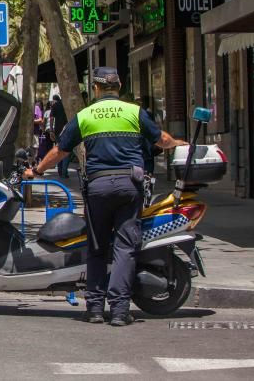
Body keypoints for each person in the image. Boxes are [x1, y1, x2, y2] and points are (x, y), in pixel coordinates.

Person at [23, 67, 187, 326]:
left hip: (98, 189)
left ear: (96, 88)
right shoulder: (134, 112)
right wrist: (180, 144)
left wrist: (36, 170)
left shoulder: (85, 115)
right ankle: (120, 311)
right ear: (119, 85)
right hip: (129, 187)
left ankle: (95, 309)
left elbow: (60, 150)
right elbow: (161, 140)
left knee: (97, 248)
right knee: (125, 248)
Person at [50, 94, 71, 178]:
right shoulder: (69, 104)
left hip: (58, 130)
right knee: (67, 151)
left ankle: (60, 170)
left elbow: (51, 118)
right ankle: (64, 172)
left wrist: (51, 129)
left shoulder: (56, 105)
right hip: (68, 130)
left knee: (59, 150)